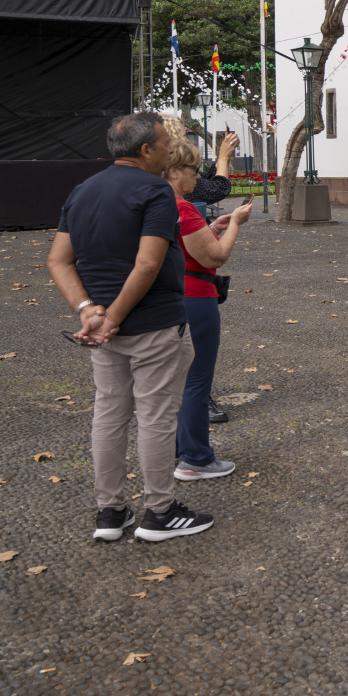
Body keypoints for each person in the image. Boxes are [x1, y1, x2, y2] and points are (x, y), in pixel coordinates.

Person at [46, 112, 213, 543]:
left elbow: (58, 259)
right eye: (163, 144)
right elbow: (148, 262)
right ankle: (159, 511)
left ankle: (111, 510)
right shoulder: (154, 190)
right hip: (152, 324)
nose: (168, 150)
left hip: (104, 327)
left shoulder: (82, 190)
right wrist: (113, 317)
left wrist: (89, 311)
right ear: (145, 151)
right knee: (155, 417)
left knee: (109, 414)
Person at [163, 140, 251, 482]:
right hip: (195, 296)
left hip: (171, 295)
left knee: (174, 381)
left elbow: (193, 245)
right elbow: (214, 256)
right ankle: (196, 457)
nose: (196, 178)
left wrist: (212, 228)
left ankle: (174, 450)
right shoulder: (182, 208)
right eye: (192, 170)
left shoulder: (157, 205)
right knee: (197, 380)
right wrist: (234, 226)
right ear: (173, 172)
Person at [162, 119, 238, 423]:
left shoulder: (150, 194)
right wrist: (222, 159)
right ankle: (194, 449)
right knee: (196, 365)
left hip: (170, 284)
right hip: (192, 289)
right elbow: (214, 257)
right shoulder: (180, 204)